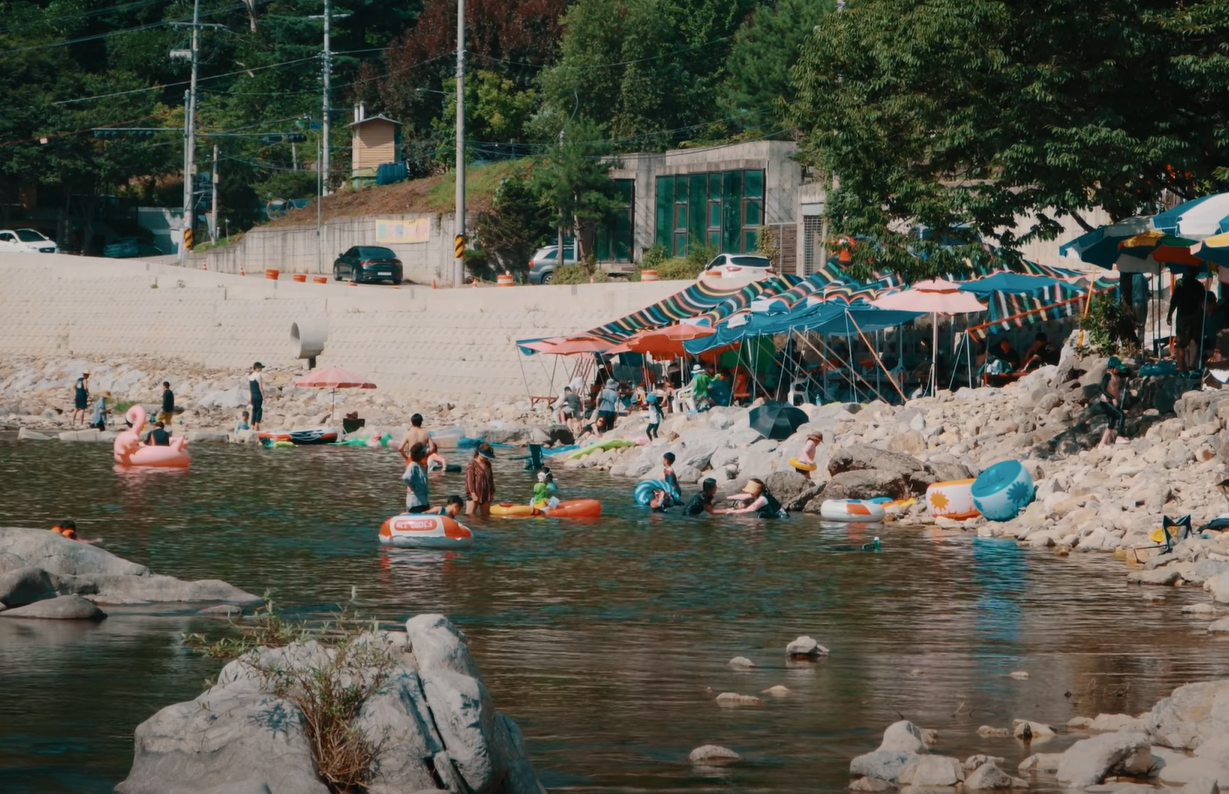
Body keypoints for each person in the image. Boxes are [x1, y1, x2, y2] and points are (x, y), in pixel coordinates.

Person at [1169, 276, 1207, 371]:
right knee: (1194, 341)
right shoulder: (1199, 286)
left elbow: (1174, 301)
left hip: (1183, 317)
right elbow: (1203, 303)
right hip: (1196, 317)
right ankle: (1192, 366)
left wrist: (1169, 314)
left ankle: (1182, 367)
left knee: (1181, 344)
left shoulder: (1180, 285)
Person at [1097, 356, 1131, 448]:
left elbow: (1128, 373)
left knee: (1111, 422)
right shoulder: (1107, 376)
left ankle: (1102, 444)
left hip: (1111, 401)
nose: (1118, 370)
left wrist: (1125, 366)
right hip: (1105, 402)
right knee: (1121, 415)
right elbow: (1102, 389)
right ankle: (1119, 437)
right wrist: (1112, 398)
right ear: (1111, 368)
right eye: (1116, 368)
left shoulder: (1118, 375)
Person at [465, 442, 496, 517]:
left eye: (487, 457)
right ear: (479, 453)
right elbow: (470, 480)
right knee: (470, 516)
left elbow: (490, 479)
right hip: (475, 493)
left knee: (486, 516)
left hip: (486, 493)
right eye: (485, 457)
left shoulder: (488, 464)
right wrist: (473, 493)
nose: (486, 459)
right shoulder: (471, 464)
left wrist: (492, 492)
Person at [402, 442, 430, 513]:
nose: (425, 453)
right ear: (420, 454)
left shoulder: (422, 466)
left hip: (423, 501)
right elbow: (406, 477)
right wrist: (411, 485)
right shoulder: (413, 465)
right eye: (424, 452)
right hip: (415, 502)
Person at [248, 362, 266, 431]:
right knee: (259, 411)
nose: (261, 369)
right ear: (256, 368)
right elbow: (260, 387)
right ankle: (256, 428)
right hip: (258, 395)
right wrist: (263, 397)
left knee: (254, 410)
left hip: (253, 395)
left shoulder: (250, 376)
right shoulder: (258, 375)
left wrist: (250, 397)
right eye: (260, 367)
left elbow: (250, 388)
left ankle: (252, 427)